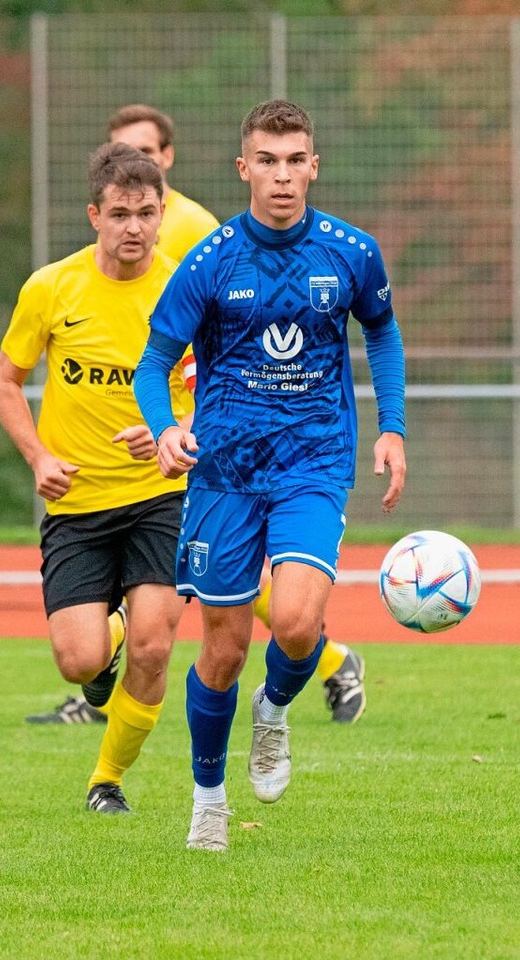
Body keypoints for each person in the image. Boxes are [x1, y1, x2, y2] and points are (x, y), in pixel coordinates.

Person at [28, 103, 367, 727]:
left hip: (210, 440)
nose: (136, 214)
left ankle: (320, 657)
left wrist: (178, 424)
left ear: (168, 159)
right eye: (123, 151)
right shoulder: (103, 243)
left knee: (224, 586)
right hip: (144, 441)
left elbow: (210, 349)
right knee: (222, 583)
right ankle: (332, 659)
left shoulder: (195, 231)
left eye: (148, 153)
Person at [134, 99, 406, 851]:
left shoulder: (351, 253)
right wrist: (165, 432)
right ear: (243, 167)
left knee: (293, 622)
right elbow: (153, 364)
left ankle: (276, 710)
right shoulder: (212, 259)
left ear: (313, 166)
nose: (282, 177)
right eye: (268, 161)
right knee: (221, 651)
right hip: (224, 471)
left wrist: (392, 428)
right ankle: (208, 797)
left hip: (313, 464)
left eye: (295, 162)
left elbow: (381, 332)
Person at [0, 142, 193, 815]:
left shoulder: (186, 290)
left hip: (161, 495)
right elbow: (6, 382)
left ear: (162, 213)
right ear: (94, 216)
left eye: (145, 213)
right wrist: (39, 459)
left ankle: (106, 781)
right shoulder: (51, 287)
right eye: (119, 214)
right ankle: (102, 648)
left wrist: (172, 430)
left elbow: (216, 389)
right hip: (77, 501)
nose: (133, 227)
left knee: (155, 645)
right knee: (78, 662)